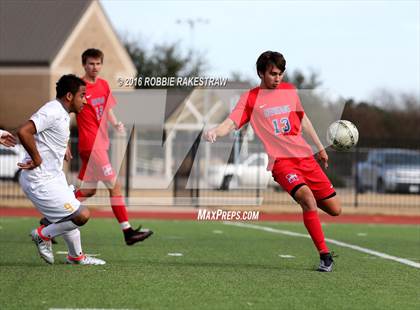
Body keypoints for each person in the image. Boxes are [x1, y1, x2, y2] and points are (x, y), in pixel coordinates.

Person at [204, 51, 342, 272]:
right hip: (282, 163)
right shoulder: (250, 98)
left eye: (280, 74)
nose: (278, 78)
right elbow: (231, 123)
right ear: (261, 73)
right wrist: (215, 131)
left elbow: (303, 119)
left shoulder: (289, 91)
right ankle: (325, 256)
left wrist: (319, 148)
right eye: (273, 74)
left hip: (305, 158)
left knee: (335, 209)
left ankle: (309, 202)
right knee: (307, 199)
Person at [18, 74, 105, 265]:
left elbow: (49, 133)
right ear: (69, 96)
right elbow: (24, 131)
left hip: (52, 179)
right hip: (39, 180)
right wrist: (37, 158)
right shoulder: (53, 111)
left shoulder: (62, 114)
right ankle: (43, 234)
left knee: (69, 214)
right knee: (81, 214)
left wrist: (62, 146)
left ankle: (76, 257)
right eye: (82, 95)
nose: (85, 100)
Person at [73, 48, 152, 245]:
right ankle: (128, 232)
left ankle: (52, 215)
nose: (95, 67)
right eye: (91, 63)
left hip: (99, 145)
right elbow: (68, 111)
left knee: (88, 191)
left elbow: (107, 109)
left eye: (98, 63)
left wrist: (115, 124)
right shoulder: (78, 87)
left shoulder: (103, 85)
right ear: (84, 64)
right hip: (91, 145)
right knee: (114, 186)